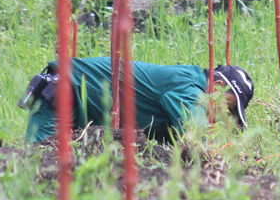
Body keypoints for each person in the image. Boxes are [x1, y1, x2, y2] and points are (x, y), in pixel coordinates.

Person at [22, 57, 254, 143]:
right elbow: (200, 139)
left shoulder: (188, 91)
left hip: (79, 106)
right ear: (218, 86)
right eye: (230, 108)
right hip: (64, 91)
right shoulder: (188, 86)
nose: (226, 118)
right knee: (36, 162)